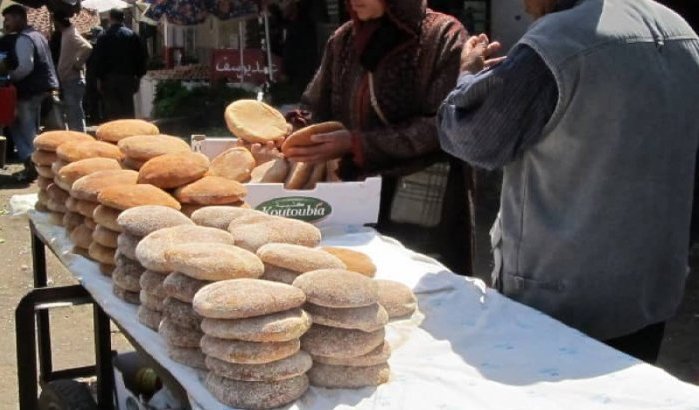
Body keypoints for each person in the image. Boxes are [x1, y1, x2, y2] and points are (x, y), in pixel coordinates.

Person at [437, 0, 699, 363]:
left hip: (560, 300)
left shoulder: (557, 42)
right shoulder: (679, 30)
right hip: (649, 292)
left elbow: (472, 137)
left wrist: (468, 75)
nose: (525, 7)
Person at [284, 0, 474, 274]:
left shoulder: (442, 37)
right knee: (357, 282)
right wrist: (292, 130)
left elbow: (444, 124)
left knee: (420, 292)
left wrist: (357, 143)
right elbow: (315, 106)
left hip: (422, 199)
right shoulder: (344, 40)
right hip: (356, 198)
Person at [2, 5, 59, 182]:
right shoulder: (38, 35)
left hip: (29, 90)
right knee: (24, 127)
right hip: (42, 88)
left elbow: (25, 67)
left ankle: (34, 165)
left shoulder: (24, 38)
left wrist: (9, 77)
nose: (6, 23)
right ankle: (32, 163)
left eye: (8, 19)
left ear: (19, 18)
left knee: (25, 129)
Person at [90, 8, 147, 120]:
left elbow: (98, 60)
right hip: (128, 78)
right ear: (123, 18)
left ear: (110, 18)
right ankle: (129, 134)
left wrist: (98, 79)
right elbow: (141, 58)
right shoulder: (133, 36)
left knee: (112, 112)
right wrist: (138, 77)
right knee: (127, 110)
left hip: (109, 79)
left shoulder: (103, 37)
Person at [53, 14, 92, 132]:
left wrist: (78, 64)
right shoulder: (66, 33)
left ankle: (79, 138)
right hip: (68, 79)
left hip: (72, 79)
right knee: (72, 112)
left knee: (74, 113)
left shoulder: (70, 33)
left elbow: (87, 47)